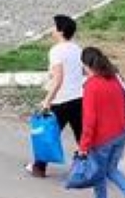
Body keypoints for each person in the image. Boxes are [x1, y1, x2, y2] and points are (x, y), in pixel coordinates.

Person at [76, 47, 125, 198]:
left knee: (99, 174)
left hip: (102, 138)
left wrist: (83, 146)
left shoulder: (91, 86)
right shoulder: (115, 78)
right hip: (121, 133)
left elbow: (89, 120)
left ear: (86, 65)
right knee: (111, 169)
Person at [25, 15, 84, 178]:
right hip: (79, 98)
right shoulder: (77, 49)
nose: (51, 29)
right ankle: (87, 169)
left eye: (54, 26)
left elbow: (58, 79)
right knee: (82, 137)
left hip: (61, 100)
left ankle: (38, 168)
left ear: (60, 31)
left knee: (47, 134)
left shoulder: (56, 51)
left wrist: (47, 101)